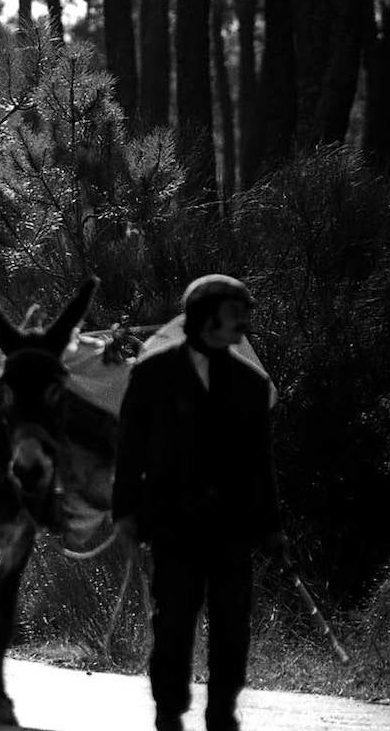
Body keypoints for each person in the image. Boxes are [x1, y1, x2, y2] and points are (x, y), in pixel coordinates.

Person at [112, 274, 288, 731]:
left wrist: (272, 526)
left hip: (232, 529)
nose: (243, 325)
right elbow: (129, 450)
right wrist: (126, 513)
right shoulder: (151, 374)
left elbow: (260, 463)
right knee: (172, 623)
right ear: (205, 317)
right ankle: (169, 712)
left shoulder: (251, 384)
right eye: (234, 314)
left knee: (233, 628)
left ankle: (222, 713)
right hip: (172, 526)